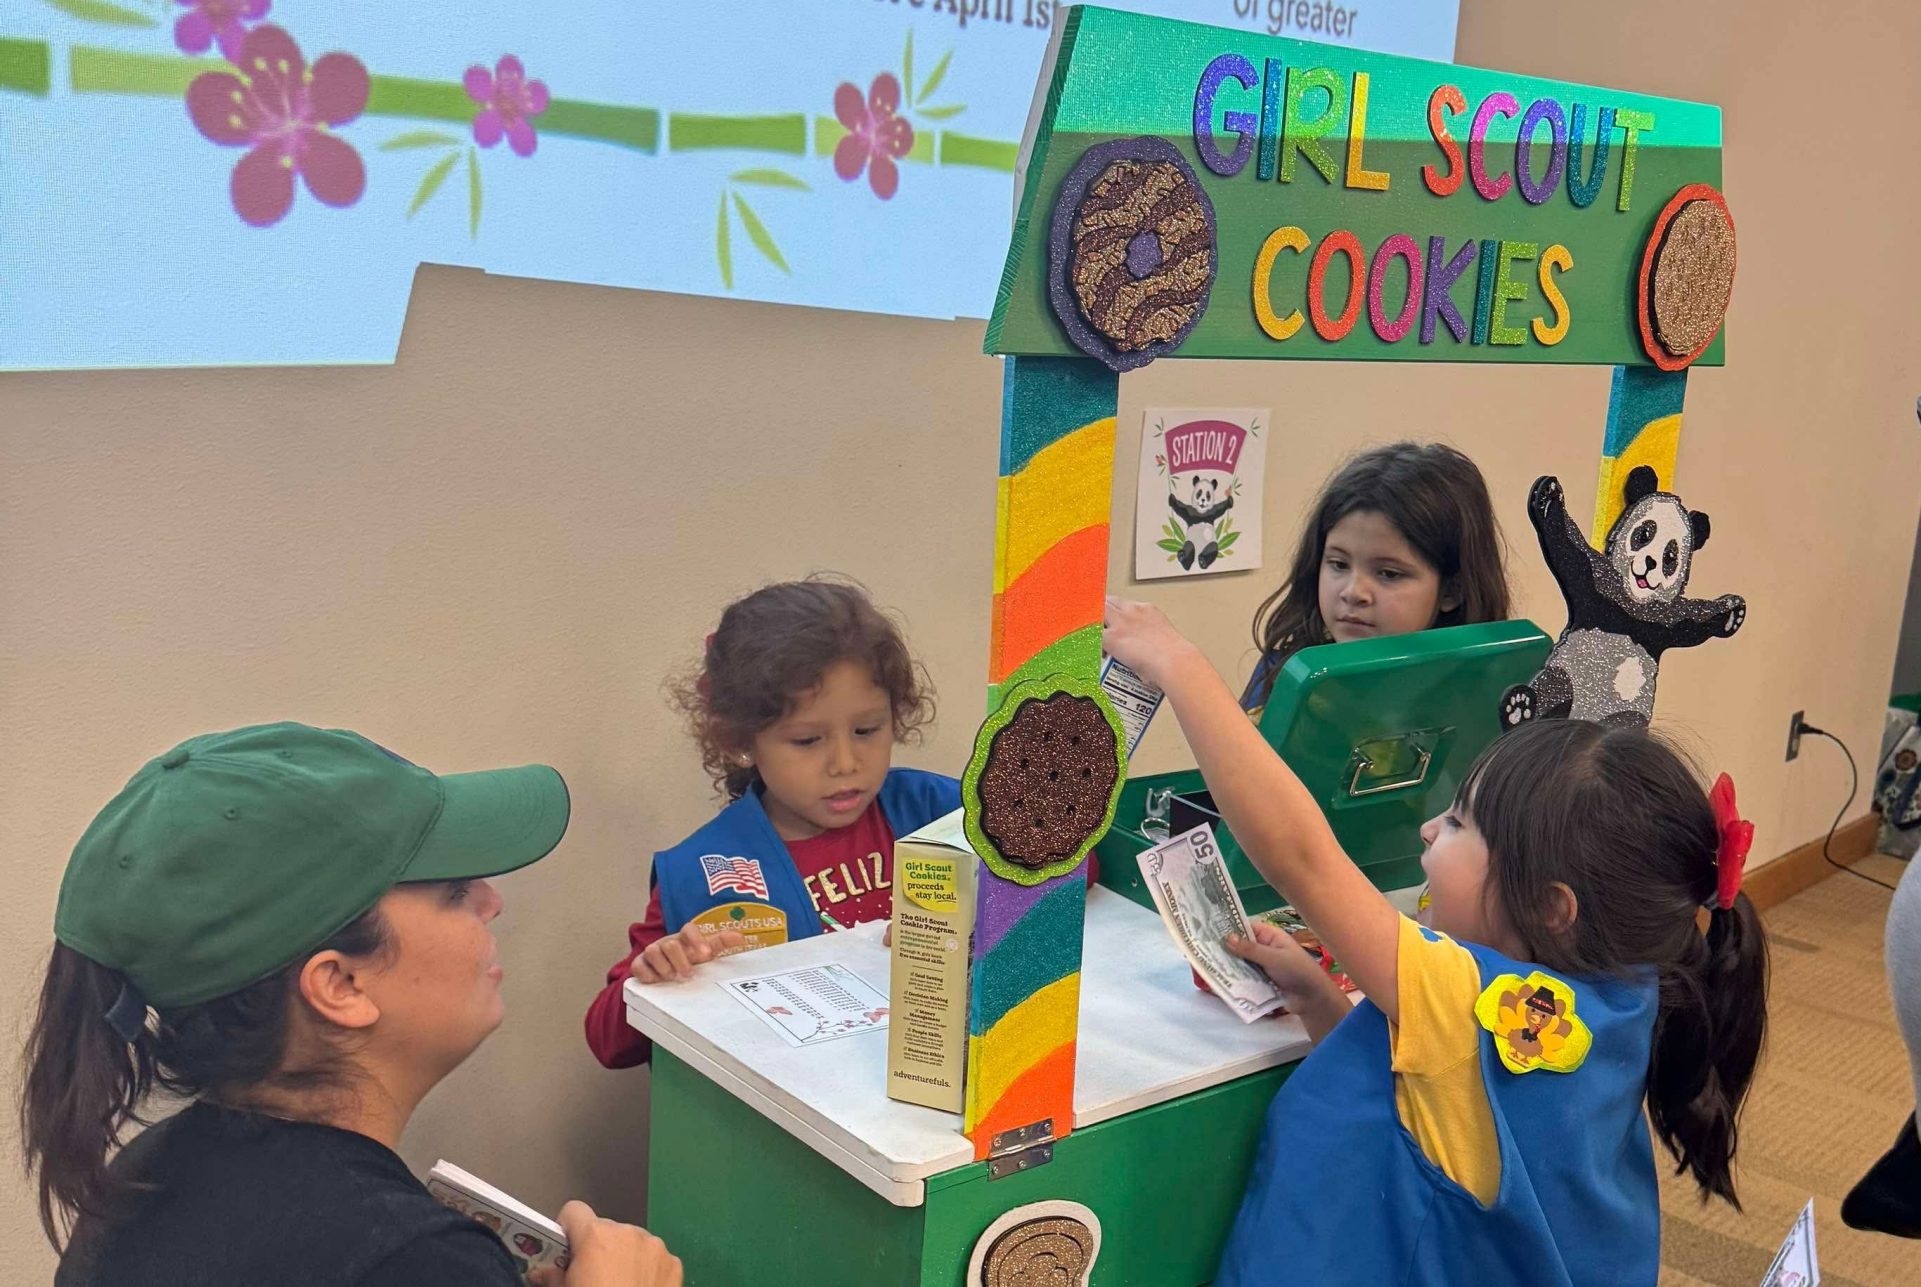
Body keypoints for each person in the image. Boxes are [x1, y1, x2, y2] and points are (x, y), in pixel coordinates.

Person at [1103, 599, 1768, 1287]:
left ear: (1547, 906)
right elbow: (1431, 1109)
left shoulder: (1480, 1001)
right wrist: (1319, 1000)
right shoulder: (1616, 998)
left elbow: (1297, 853)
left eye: (1456, 822)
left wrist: (1177, 664)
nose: (1427, 830)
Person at [19, 722, 681, 1287]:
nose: (491, 900)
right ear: (340, 984)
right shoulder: (409, 1256)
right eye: (452, 890)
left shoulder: (141, 1178)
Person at [584, 579, 959, 1068]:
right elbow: (609, 1043)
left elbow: (1064, 869)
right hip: (792, 1116)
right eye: (807, 740)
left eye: (867, 730)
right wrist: (657, 973)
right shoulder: (705, 870)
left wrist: (982, 917)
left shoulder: (931, 810)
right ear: (739, 739)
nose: (845, 763)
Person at [1243, 442, 1509, 719]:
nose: (1353, 592)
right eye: (1339, 564)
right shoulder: (1284, 672)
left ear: (1452, 590)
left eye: (1389, 574)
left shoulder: (1491, 691)